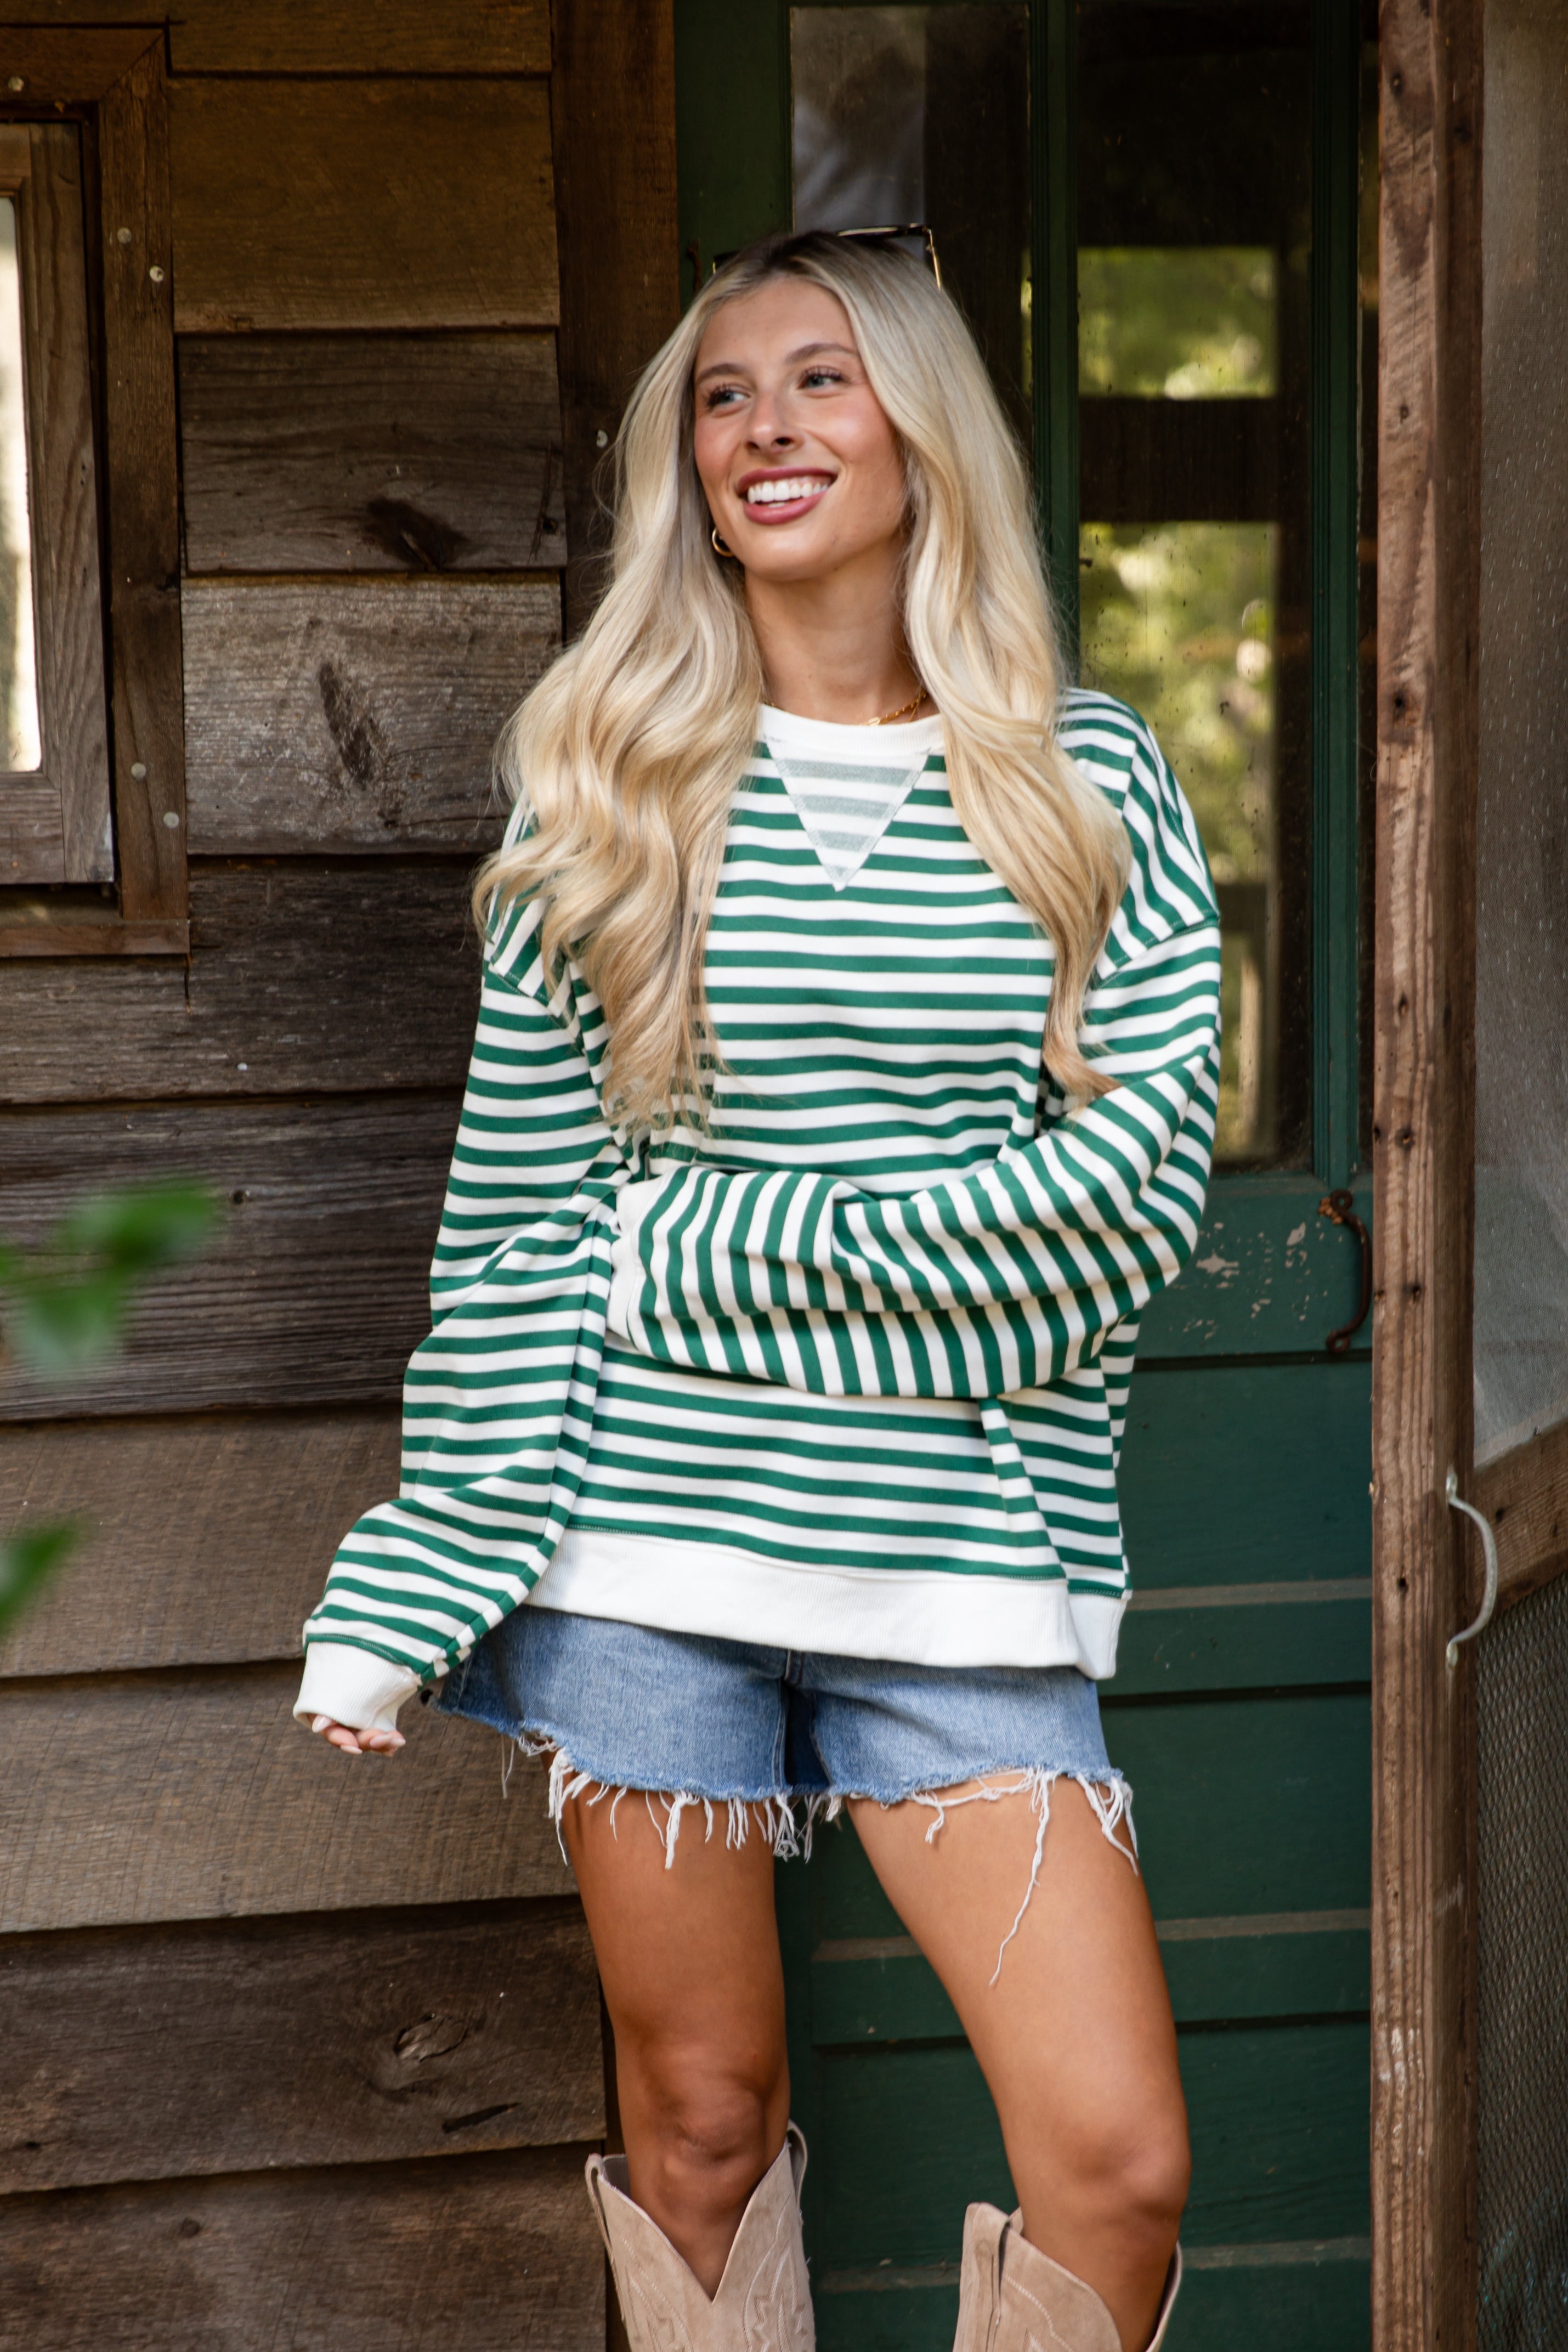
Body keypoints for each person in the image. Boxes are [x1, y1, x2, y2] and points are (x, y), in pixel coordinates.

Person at [294, 229, 1220, 2352]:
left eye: (820, 379)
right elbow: (523, 1222)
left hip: (969, 1563)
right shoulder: (604, 777)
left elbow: (1118, 1217)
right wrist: (416, 1571)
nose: (766, 428)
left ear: (919, 429)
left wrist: (679, 1250)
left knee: (1119, 2162)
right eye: (723, 396)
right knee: (700, 2121)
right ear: (685, 462)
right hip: (639, 1551)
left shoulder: (1087, 786)